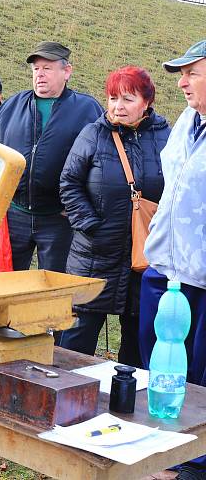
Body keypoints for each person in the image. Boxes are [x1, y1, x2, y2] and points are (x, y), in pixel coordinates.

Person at [57, 66, 169, 367]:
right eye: (112, 98)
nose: (118, 106)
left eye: (127, 99)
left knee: (136, 337)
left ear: (146, 102)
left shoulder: (165, 137)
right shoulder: (93, 134)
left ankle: (128, 401)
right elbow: (68, 182)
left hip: (141, 256)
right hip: (93, 255)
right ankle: (67, 396)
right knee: (78, 335)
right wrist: (90, 225)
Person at [138, 41, 206, 480]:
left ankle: (196, 460)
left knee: (200, 374)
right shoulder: (188, 120)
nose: (181, 83)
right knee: (158, 358)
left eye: (192, 73)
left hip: (203, 274)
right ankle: (158, 442)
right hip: (166, 265)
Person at [0, 42, 102, 272]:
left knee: (53, 288)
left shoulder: (87, 110)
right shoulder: (11, 107)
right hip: (14, 215)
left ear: (66, 71)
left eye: (47, 69)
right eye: (36, 69)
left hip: (59, 219)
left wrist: (78, 206)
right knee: (6, 286)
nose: (40, 75)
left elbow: (100, 165)